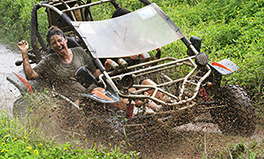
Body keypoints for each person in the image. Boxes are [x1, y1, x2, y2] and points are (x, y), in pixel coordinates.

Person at [18, 26, 162, 113]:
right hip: (79, 99)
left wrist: (108, 74)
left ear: (65, 40)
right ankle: (138, 112)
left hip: (96, 90)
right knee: (100, 91)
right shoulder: (50, 61)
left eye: (60, 40)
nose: (58, 44)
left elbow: (96, 73)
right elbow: (30, 75)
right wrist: (24, 52)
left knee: (133, 89)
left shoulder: (79, 52)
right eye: (54, 43)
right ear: (51, 46)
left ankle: (160, 108)